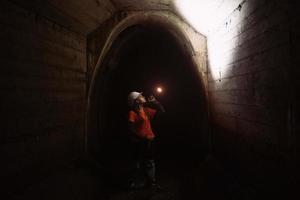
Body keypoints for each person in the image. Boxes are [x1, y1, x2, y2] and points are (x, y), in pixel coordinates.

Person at [127, 91, 165, 190]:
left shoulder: (146, 110)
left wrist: (155, 102)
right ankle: (134, 182)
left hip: (149, 141)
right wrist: (143, 138)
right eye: (140, 96)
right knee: (137, 163)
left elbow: (162, 111)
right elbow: (131, 129)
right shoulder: (132, 113)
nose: (143, 96)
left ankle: (151, 183)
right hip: (139, 142)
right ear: (136, 101)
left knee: (150, 162)